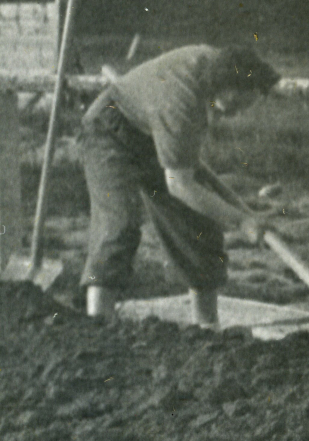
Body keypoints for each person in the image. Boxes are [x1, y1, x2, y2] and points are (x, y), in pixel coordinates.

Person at [80, 45, 281, 327]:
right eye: (233, 107)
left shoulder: (218, 68)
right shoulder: (182, 100)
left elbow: (188, 176)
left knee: (198, 224)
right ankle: (97, 325)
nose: (233, 115)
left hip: (152, 131)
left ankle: (206, 328)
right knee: (119, 224)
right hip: (109, 131)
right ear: (223, 86)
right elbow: (180, 185)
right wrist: (241, 221)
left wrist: (244, 213)